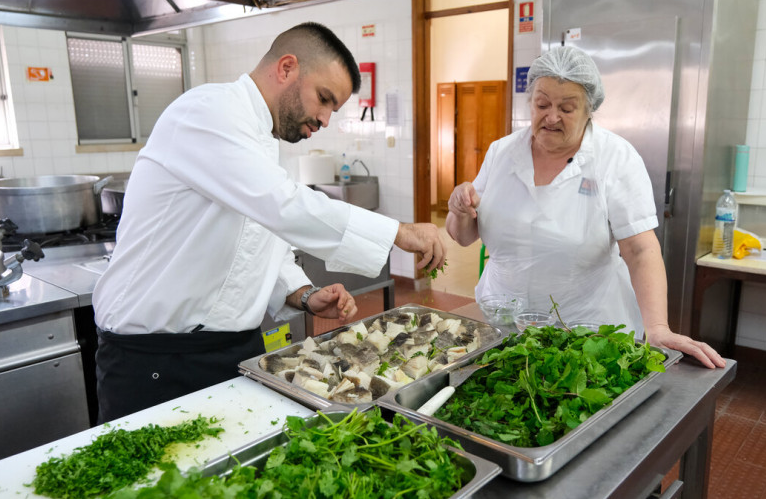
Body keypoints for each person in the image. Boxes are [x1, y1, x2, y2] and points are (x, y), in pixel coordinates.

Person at [92, 22, 446, 423]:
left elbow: (258, 235)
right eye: (324, 99)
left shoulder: (261, 140)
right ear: (287, 68)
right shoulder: (208, 111)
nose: (326, 119)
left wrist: (304, 293)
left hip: (234, 351)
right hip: (156, 359)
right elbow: (283, 205)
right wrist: (397, 231)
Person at [446, 45, 724, 368]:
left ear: (590, 109)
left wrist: (657, 328)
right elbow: (463, 235)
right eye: (542, 104)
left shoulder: (615, 159)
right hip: (502, 331)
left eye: (567, 107)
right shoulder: (501, 153)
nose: (551, 117)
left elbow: (640, 251)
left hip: (585, 338)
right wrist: (459, 211)